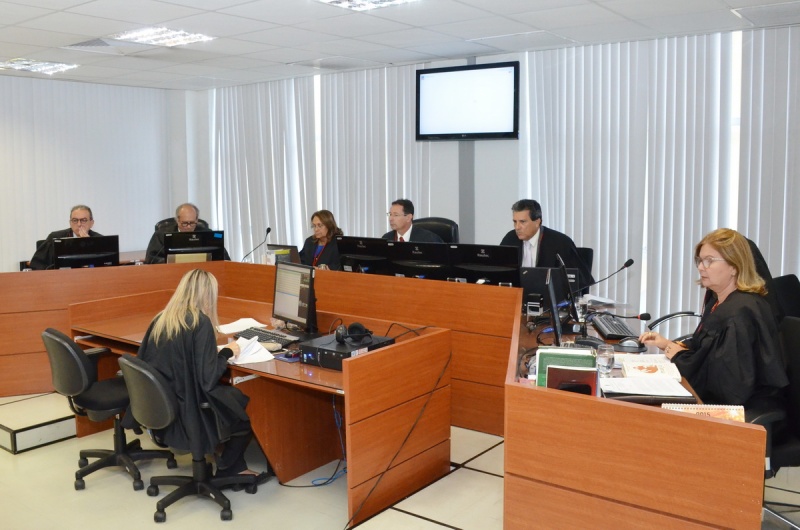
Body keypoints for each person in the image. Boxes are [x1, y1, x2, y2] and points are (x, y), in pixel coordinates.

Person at [137, 269, 269, 482]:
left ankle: (223, 458)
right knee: (241, 405)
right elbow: (208, 379)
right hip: (188, 408)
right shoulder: (200, 322)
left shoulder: (161, 319)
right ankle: (230, 468)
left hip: (165, 404)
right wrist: (226, 353)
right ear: (207, 296)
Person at [640, 228, 788, 409]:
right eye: (700, 260)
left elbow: (725, 385)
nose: (701, 267)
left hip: (740, 411)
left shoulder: (738, 312)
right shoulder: (719, 301)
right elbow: (709, 351)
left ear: (734, 266)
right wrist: (667, 344)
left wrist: (678, 356)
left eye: (709, 261)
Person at [499, 199, 594, 289]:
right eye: (515, 222)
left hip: (549, 297)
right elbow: (499, 273)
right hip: (516, 296)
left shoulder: (560, 242)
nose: (517, 227)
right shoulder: (510, 239)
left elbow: (580, 280)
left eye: (522, 222)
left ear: (537, 222)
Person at [145, 203, 229, 264]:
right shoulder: (160, 235)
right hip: (170, 272)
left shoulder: (207, 233)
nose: (188, 227)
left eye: (192, 223)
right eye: (185, 223)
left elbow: (224, 258)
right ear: (177, 220)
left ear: (197, 220)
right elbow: (151, 259)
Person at [30, 205, 103, 270]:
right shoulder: (55, 237)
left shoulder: (100, 241)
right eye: (75, 220)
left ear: (91, 223)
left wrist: (89, 244)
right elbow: (37, 264)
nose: (79, 224)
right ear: (70, 223)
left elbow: (104, 267)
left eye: (83, 220)